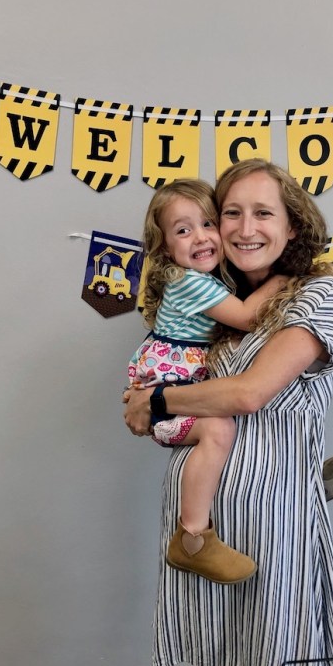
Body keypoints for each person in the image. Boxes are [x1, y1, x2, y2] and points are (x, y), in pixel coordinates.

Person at [124, 159, 333, 666]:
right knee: (216, 643)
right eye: (231, 213)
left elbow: (249, 394)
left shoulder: (320, 295)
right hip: (197, 527)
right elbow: (197, 396)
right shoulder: (219, 302)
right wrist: (167, 406)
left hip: (272, 516)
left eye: (263, 212)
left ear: (293, 227)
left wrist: (156, 401)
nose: (244, 226)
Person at [129, 178, 288, 585]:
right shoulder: (190, 282)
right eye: (183, 230)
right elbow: (250, 317)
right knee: (218, 428)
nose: (199, 237)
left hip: (174, 383)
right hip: (168, 388)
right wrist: (283, 278)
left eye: (207, 223)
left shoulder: (210, 281)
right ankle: (194, 537)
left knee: (220, 427)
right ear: (165, 247)